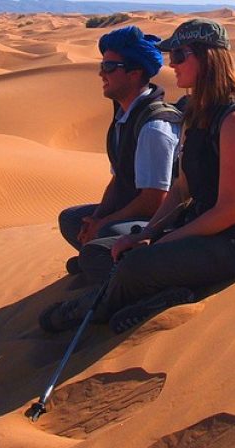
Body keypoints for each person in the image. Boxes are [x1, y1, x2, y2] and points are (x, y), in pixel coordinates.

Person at [40, 18, 235, 334]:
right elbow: (180, 189)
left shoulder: (234, 120)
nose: (171, 64)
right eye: (170, 56)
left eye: (179, 56)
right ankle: (155, 294)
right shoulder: (197, 112)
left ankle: (89, 309)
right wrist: (146, 233)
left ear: (207, 57)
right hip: (202, 230)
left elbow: (228, 212)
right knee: (101, 250)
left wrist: (158, 242)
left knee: (135, 264)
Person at [59, 26, 181, 276]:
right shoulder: (124, 115)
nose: (101, 74)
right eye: (102, 66)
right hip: (136, 214)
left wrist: (103, 224)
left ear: (135, 73)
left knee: (106, 234)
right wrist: (97, 217)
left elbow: (154, 201)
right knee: (72, 220)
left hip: (165, 223)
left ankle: (120, 273)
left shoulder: (154, 127)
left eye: (110, 67)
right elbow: (119, 180)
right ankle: (98, 260)